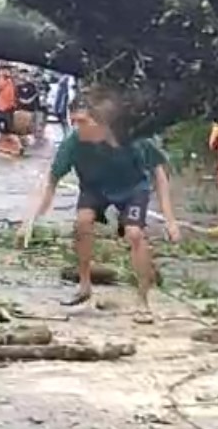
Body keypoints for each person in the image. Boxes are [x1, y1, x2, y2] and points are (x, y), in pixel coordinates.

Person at [16, 94, 180, 324]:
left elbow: (159, 173)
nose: (77, 127)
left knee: (134, 234)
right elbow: (50, 181)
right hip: (94, 188)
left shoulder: (131, 138)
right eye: (73, 121)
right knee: (82, 221)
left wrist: (170, 220)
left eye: (83, 121)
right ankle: (84, 285)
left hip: (132, 187)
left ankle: (143, 300)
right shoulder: (73, 143)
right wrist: (29, 221)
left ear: (101, 123)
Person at [0, 65, 23, 156]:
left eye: (8, 70)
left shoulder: (10, 80)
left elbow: (14, 94)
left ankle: (14, 146)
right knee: (3, 129)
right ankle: (11, 146)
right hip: (1, 108)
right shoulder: (0, 80)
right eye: (6, 70)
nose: (8, 72)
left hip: (9, 108)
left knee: (8, 129)